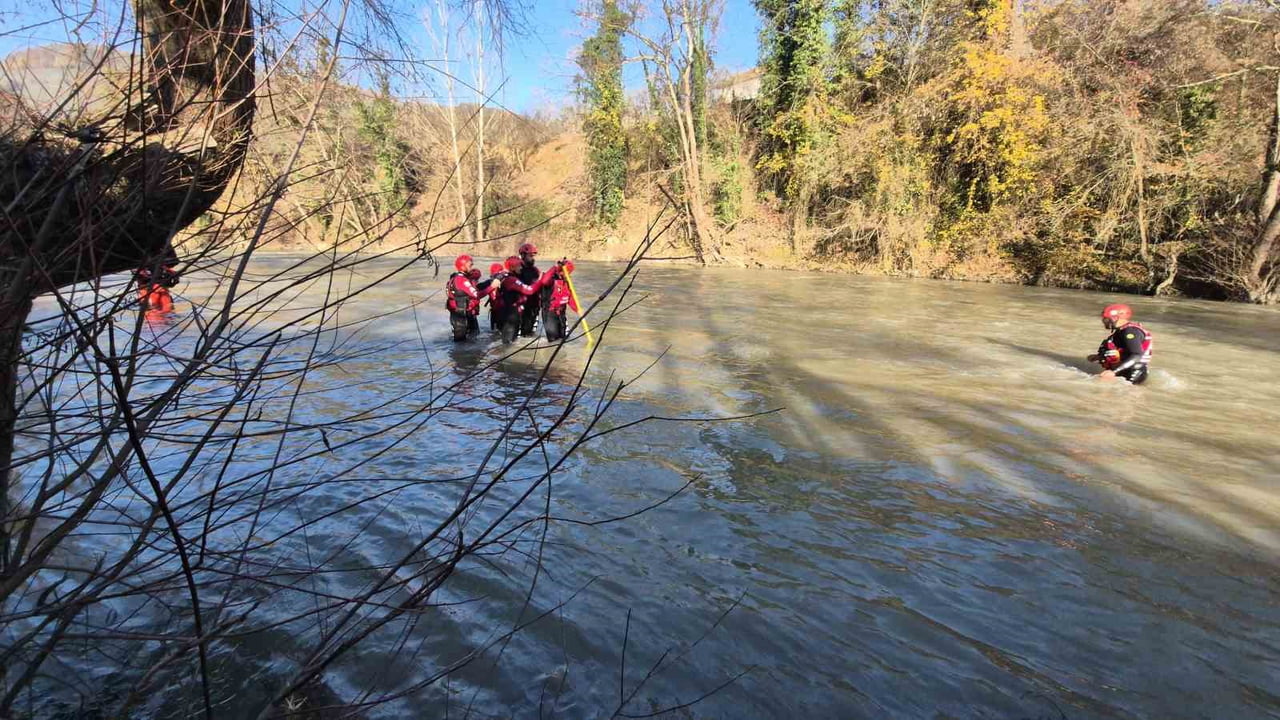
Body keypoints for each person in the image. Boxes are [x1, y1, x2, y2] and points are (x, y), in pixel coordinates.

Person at [496, 255, 558, 343]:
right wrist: (540, 280)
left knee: (511, 341)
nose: (521, 268)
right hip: (511, 315)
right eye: (519, 266)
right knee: (508, 343)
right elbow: (530, 290)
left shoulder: (507, 277)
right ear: (512, 267)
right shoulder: (511, 280)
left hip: (511, 314)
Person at [1088, 303, 1153, 384]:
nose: (1103, 321)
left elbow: (1137, 355)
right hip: (1124, 369)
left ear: (1116, 318)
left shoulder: (1130, 332)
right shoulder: (1121, 331)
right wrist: (1099, 357)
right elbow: (1122, 351)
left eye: (1106, 319)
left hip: (1133, 372)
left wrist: (1114, 372)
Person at [445, 255, 494, 341]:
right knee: (462, 345)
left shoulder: (459, 278)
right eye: (470, 265)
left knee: (472, 340)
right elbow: (477, 295)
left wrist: (489, 282)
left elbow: (475, 288)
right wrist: (492, 287)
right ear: (463, 266)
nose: (472, 267)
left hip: (465, 314)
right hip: (461, 316)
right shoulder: (460, 279)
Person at [541, 258, 579, 341]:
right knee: (553, 341)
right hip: (550, 314)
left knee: (564, 339)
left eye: (570, 273)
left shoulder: (566, 282)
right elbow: (544, 281)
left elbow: (570, 298)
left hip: (561, 314)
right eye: (567, 273)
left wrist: (578, 310)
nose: (568, 275)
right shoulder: (551, 280)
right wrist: (555, 267)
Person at [515, 242, 542, 337]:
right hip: (521, 305)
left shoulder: (535, 270)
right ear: (523, 255)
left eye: (533, 256)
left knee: (530, 333)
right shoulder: (517, 270)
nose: (532, 258)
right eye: (530, 255)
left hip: (533, 305)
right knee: (520, 334)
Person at [486, 262, 505, 331]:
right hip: (502, 311)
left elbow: (478, 288)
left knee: (494, 331)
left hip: (495, 311)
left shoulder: (488, 282)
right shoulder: (506, 281)